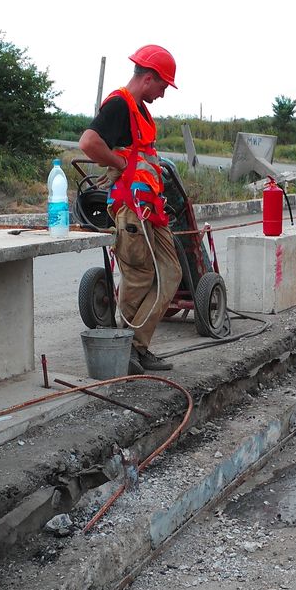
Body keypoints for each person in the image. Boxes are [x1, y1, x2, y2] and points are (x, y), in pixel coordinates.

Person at [78, 45, 181, 375]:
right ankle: (127, 350)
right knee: (138, 276)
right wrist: (120, 162)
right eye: (163, 86)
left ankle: (136, 345)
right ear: (148, 78)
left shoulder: (141, 111)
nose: (163, 94)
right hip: (130, 209)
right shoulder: (120, 104)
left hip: (151, 208)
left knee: (170, 272)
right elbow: (89, 142)